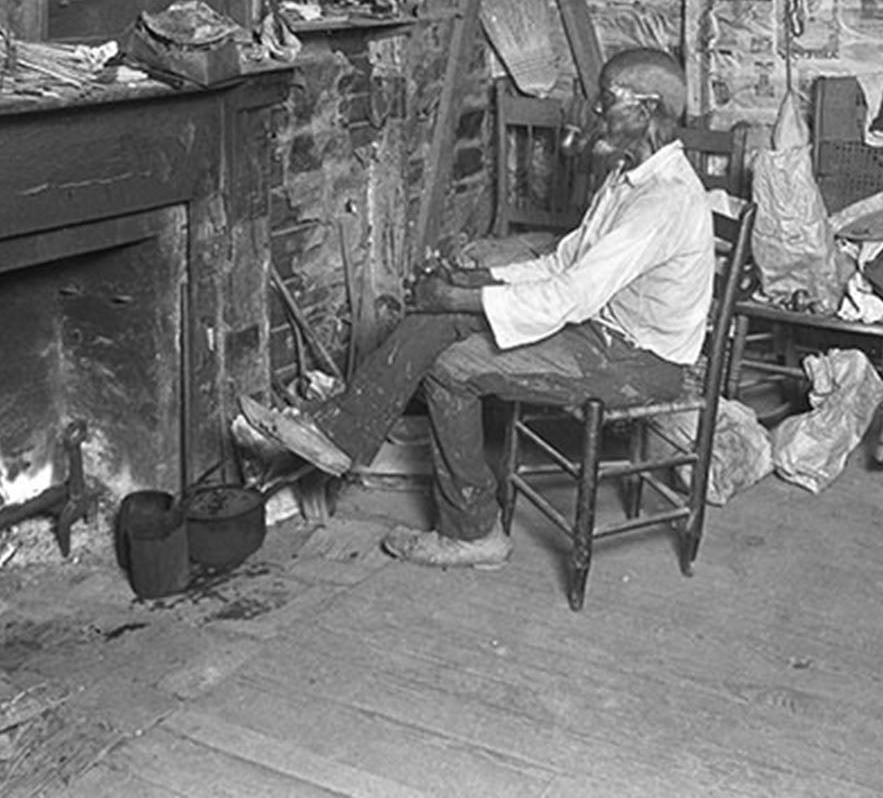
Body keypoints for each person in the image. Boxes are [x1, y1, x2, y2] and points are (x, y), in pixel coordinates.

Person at [241, 47, 714, 569]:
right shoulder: (629, 176)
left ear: (646, 111)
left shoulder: (662, 201)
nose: (596, 113)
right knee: (438, 313)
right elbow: (563, 262)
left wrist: (461, 296)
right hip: (600, 331)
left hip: (640, 362)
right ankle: (338, 435)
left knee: (451, 370)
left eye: (606, 103)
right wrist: (476, 281)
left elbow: (571, 295)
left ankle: (472, 534)